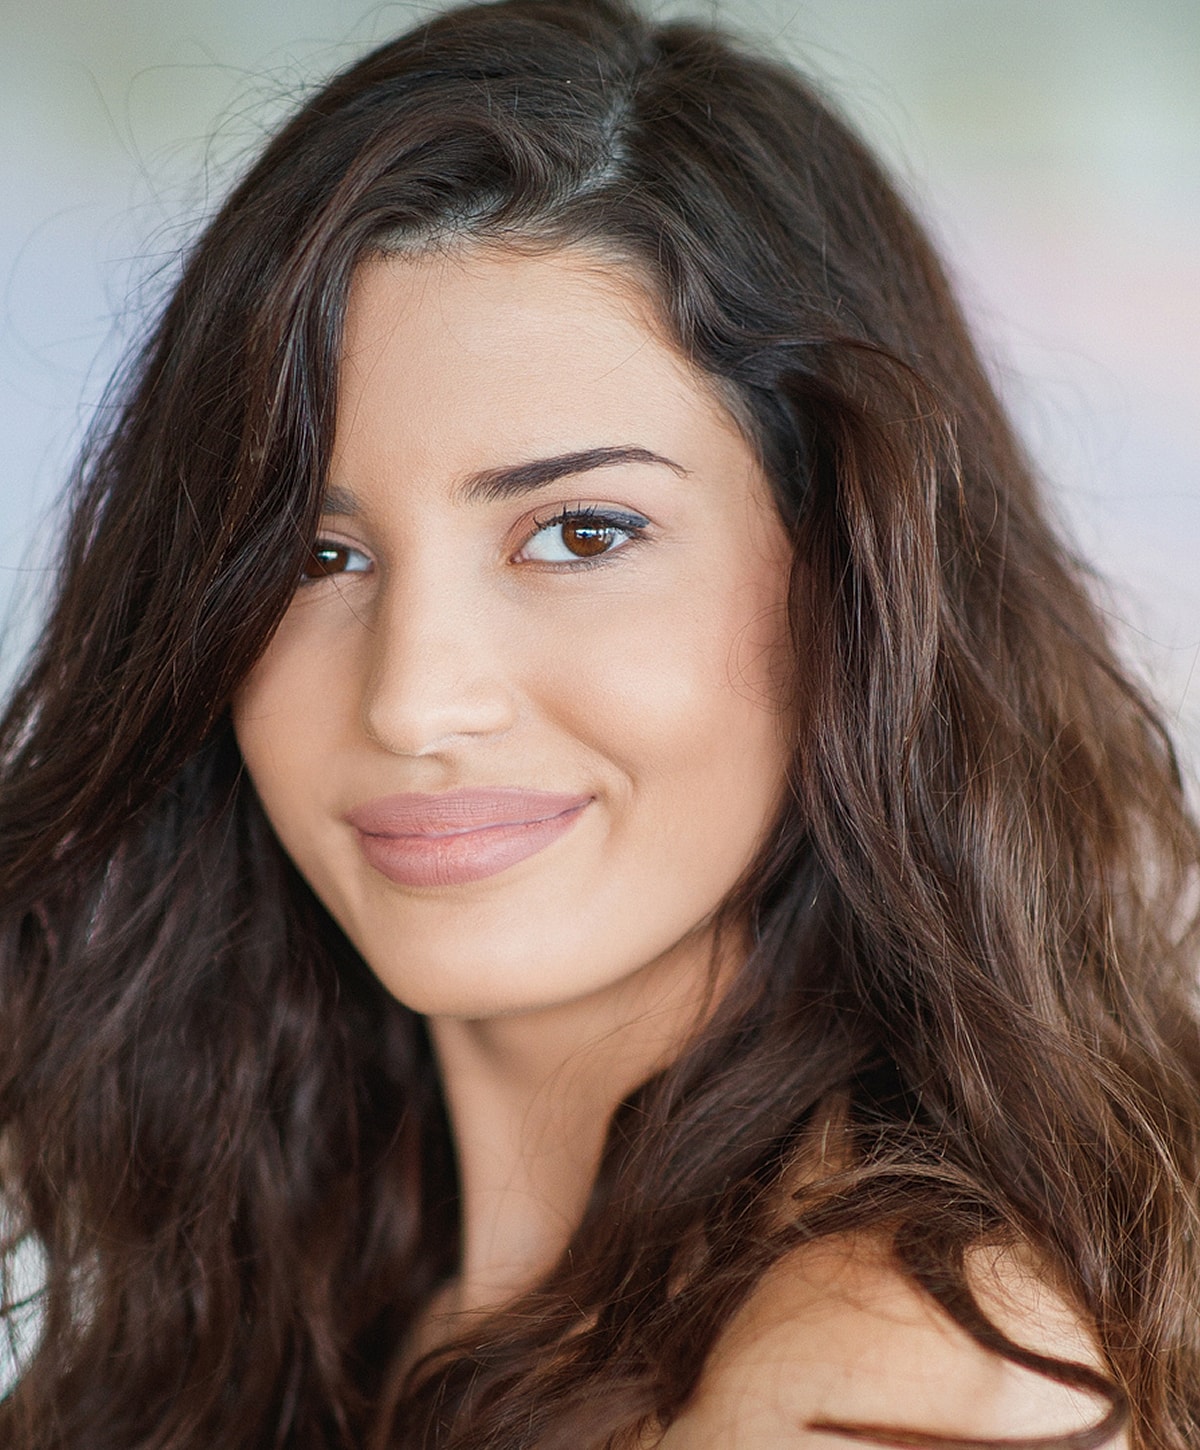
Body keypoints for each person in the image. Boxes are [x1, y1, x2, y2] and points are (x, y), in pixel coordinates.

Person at [1, 0, 1197, 1443]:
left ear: (858, 580)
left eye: (579, 533)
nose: (415, 696)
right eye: (315, 555)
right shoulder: (295, 1280)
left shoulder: (894, 1373)